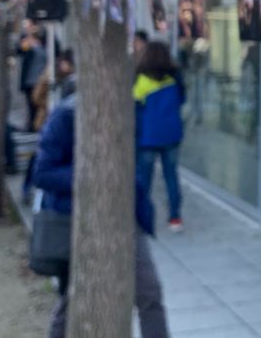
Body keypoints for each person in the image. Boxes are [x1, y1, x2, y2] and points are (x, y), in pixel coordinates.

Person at [33, 70, 169, 338]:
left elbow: (132, 166)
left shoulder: (127, 112)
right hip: (78, 217)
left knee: (149, 292)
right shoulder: (65, 117)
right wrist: (90, 176)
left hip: (125, 217)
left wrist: (143, 207)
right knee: (75, 294)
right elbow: (42, 173)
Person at [133, 41, 186, 232]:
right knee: (171, 176)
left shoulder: (139, 78)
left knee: (144, 179)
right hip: (172, 134)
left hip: (147, 136)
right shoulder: (175, 77)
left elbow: (135, 108)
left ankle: (142, 218)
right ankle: (175, 218)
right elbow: (182, 100)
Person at [18, 26, 48, 132]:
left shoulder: (34, 50)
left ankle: (32, 126)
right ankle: (32, 125)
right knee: (33, 106)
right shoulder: (42, 49)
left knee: (32, 106)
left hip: (32, 81)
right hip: (35, 80)